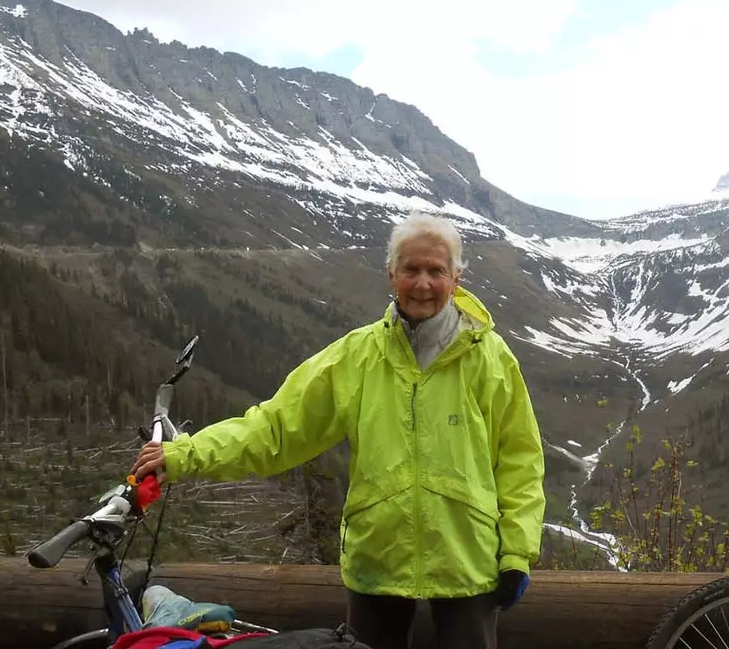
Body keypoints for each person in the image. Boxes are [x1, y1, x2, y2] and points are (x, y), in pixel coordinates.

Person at [130, 212, 547, 649]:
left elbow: (519, 459)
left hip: (470, 561)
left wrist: (517, 552)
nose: (422, 283)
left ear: (456, 277)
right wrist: (184, 454)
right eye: (411, 269)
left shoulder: (491, 359)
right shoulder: (356, 357)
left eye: (436, 271)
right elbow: (274, 428)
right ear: (391, 274)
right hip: (378, 560)